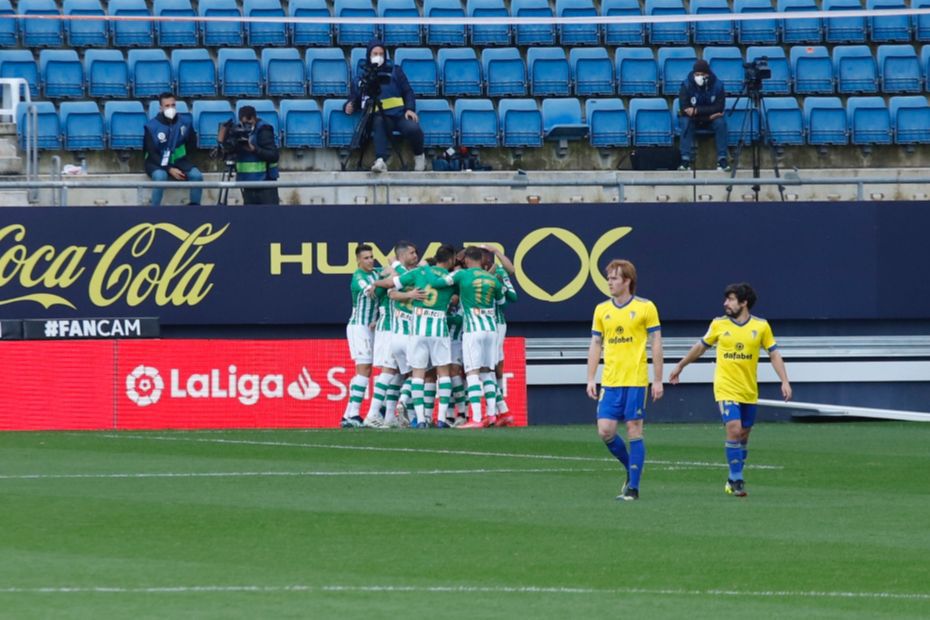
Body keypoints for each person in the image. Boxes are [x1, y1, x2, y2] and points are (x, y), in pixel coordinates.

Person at [668, 283, 792, 497]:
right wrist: (680, 365)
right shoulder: (718, 324)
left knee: (743, 435)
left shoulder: (761, 326)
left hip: (748, 390)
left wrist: (784, 381)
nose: (725, 303)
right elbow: (700, 347)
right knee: (734, 428)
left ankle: (732, 477)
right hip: (726, 387)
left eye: (731, 299)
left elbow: (774, 353)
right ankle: (737, 480)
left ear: (744, 303)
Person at [586, 259, 663, 502]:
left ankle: (633, 488)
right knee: (605, 431)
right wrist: (590, 378)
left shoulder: (646, 307)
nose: (609, 282)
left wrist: (658, 379)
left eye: (614, 278)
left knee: (633, 429)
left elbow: (657, 343)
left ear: (627, 280)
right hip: (610, 380)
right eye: (608, 277)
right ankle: (631, 468)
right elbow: (596, 344)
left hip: (636, 379)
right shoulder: (601, 310)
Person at [372, 244, 458, 428]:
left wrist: (377, 283)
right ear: (450, 260)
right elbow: (459, 299)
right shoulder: (452, 278)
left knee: (417, 374)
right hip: (439, 329)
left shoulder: (419, 272)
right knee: (443, 374)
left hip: (417, 330)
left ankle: (420, 420)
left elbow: (392, 286)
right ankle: (441, 419)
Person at [430, 246, 504, 429]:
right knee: (488, 372)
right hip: (491, 329)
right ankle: (492, 415)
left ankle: (477, 418)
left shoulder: (462, 275)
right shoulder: (492, 279)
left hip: (473, 329)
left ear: (468, 260)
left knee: (472, 373)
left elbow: (438, 283)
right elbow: (501, 301)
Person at [344, 40, 426, 173]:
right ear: (369, 55)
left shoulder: (395, 71)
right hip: (380, 117)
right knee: (379, 122)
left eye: (381, 54)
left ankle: (419, 156)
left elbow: (407, 91)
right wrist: (348, 105)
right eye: (375, 53)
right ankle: (380, 160)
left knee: (414, 129)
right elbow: (356, 97)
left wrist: (410, 109)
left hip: (399, 115)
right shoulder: (363, 76)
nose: (378, 56)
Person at [340, 244, 380, 428]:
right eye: (366, 258)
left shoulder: (375, 272)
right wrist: (387, 281)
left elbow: (389, 272)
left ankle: (348, 414)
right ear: (358, 261)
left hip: (370, 328)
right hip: (359, 327)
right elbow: (370, 290)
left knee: (364, 371)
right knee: (364, 370)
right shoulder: (358, 277)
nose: (370, 260)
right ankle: (355, 414)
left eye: (371, 256)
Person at [143, 92, 203, 206]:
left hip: (179, 160)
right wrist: (169, 169)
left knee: (197, 176)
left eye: (173, 105)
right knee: (161, 176)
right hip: (156, 161)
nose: (170, 108)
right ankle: (153, 211)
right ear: (160, 107)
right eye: (167, 106)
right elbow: (151, 153)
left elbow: (192, 144)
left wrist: (182, 161)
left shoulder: (186, 123)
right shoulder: (151, 127)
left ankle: (195, 209)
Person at [218, 105, 280, 205]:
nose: (246, 125)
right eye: (243, 123)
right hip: (246, 182)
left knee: (270, 216)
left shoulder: (264, 129)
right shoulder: (238, 131)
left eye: (248, 122)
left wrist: (254, 149)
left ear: (254, 118)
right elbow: (228, 151)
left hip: (265, 183)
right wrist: (223, 140)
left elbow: (274, 156)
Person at [677, 59, 729, 172]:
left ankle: (722, 160)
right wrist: (707, 115)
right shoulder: (686, 85)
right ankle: (685, 160)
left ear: (708, 74)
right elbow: (684, 109)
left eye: (702, 74)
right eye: (697, 74)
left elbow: (719, 107)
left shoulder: (718, 86)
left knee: (720, 122)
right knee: (685, 122)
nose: (699, 77)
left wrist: (696, 111)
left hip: (710, 120)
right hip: (694, 119)